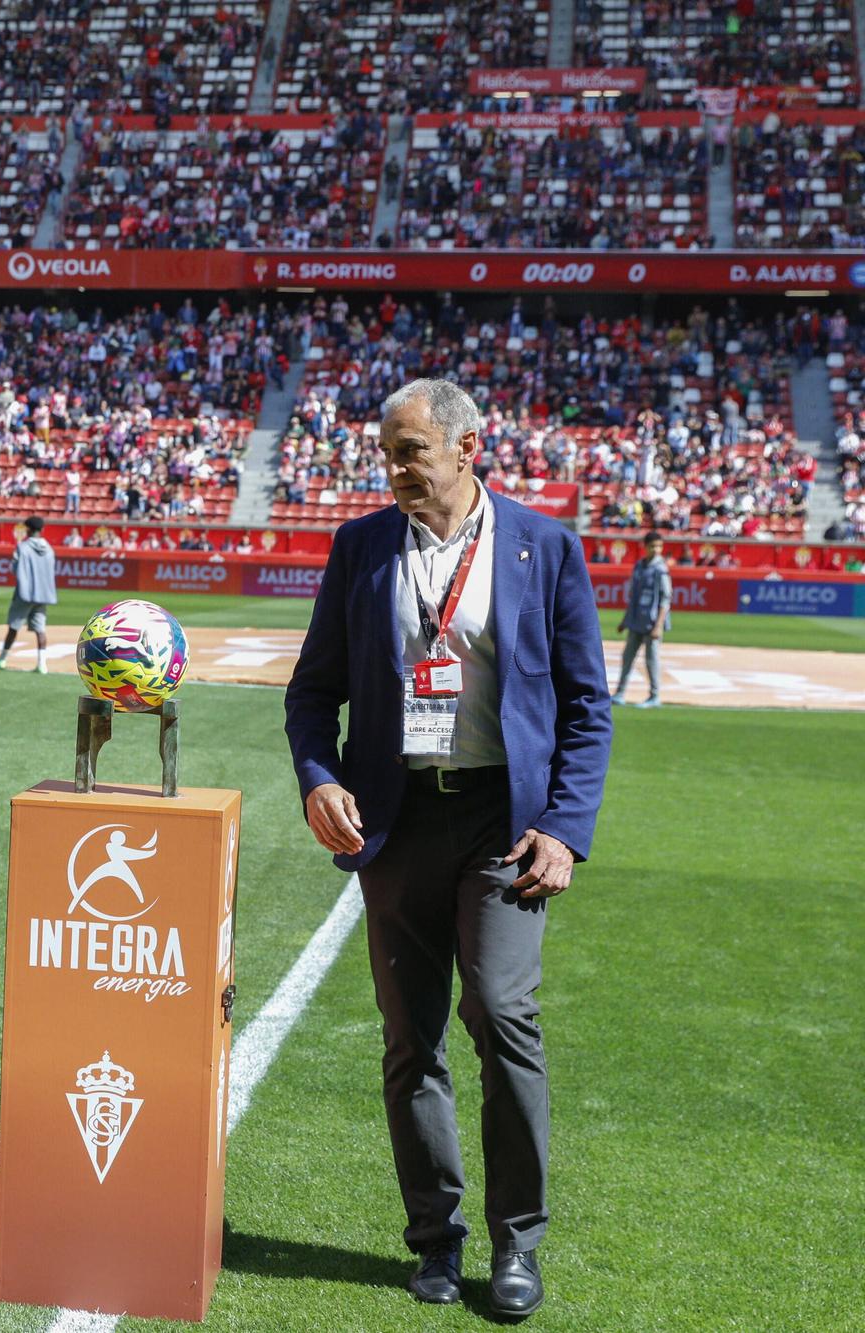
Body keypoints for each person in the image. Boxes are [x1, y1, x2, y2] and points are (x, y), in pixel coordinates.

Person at [283, 379, 611, 1319]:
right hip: (396, 823)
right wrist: (319, 778)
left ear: (470, 448)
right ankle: (435, 1239)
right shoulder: (361, 546)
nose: (395, 471)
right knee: (409, 1039)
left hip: (503, 823)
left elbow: (588, 705)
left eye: (411, 452)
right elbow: (313, 694)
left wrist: (566, 827)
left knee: (502, 1016)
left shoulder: (543, 545)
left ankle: (518, 1243)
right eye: (387, 453)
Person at [0, 515, 58, 672]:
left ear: (28, 529)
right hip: (43, 595)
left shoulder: (23, 547)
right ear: (42, 529)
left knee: (14, 626)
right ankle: (42, 665)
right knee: (40, 629)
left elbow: (14, 569)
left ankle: (2, 659)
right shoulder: (49, 549)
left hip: (25, 594)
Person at [612, 531, 671, 708]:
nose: (656, 550)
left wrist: (658, 625)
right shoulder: (639, 566)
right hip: (636, 620)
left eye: (659, 546)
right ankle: (620, 693)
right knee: (627, 657)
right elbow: (634, 596)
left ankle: (654, 696)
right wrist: (625, 620)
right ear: (645, 547)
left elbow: (665, 599)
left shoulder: (661, 570)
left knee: (651, 659)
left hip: (652, 622)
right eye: (653, 546)